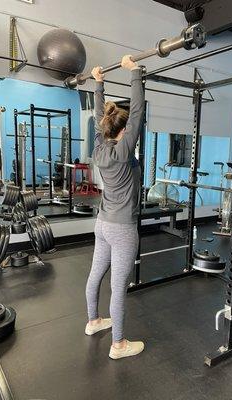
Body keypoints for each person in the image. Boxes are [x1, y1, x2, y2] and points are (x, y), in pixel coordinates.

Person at [85, 55, 145, 360]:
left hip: (103, 223)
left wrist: (98, 83)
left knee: (97, 274)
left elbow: (101, 117)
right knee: (118, 286)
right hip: (122, 228)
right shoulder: (123, 150)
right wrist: (134, 72)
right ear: (123, 132)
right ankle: (119, 344)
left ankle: (94, 321)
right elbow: (137, 113)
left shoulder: (100, 146)